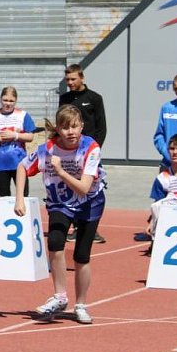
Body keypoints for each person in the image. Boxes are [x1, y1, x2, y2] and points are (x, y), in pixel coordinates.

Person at [15, 104, 107, 325]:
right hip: (60, 203)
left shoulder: (91, 148)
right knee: (55, 243)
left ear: (82, 126)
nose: (71, 132)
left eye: (75, 127)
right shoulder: (47, 149)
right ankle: (60, 297)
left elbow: (84, 188)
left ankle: (81, 304)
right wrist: (19, 198)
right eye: (65, 128)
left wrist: (61, 171)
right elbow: (21, 167)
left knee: (81, 256)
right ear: (58, 129)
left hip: (89, 203)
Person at [59, 63, 107, 244]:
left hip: (89, 154)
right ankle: (75, 225)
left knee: (91, 190)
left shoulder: (94, 98)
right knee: (71, 188)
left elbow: (102, 128)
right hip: (69, 153)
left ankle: (91, 227)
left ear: (82, 78)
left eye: (73, 79)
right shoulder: (64, 98)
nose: (70, 82)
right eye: (67, 80)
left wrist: (94, 151)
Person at [0, 87, 36, 198]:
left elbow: (30, 136)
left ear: (16, 100)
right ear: (0, 99)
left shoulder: (22, 115)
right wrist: (6, 137)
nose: (8, 103)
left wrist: (15, 135)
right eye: (5, 100)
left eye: (11, 101)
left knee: (23, 195)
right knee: (4, 196)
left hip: (20, 162)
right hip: (0, 163)